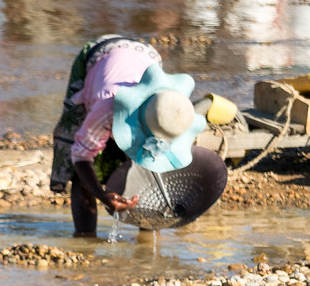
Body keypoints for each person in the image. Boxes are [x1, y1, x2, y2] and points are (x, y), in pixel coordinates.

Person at [50, 35, 206, 236]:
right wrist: (102, 195)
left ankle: (148, 234)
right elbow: (81, 156)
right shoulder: (107, 107)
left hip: (147, 57)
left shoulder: (173, 112)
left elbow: (157, 165)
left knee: (148, 167)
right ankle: (85, 237)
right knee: (81, 165)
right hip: (99, 54)